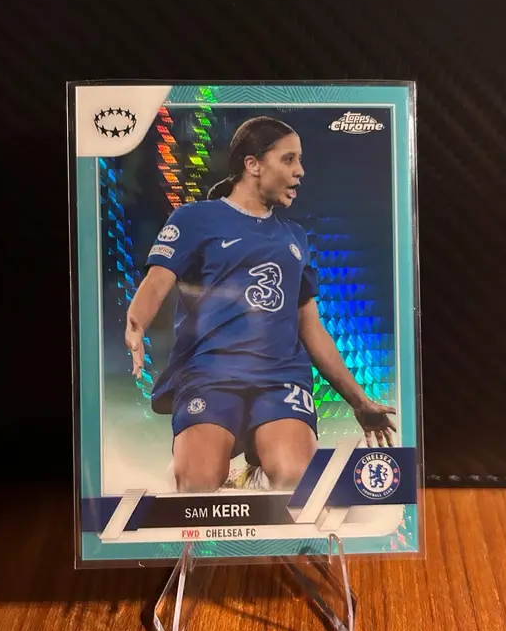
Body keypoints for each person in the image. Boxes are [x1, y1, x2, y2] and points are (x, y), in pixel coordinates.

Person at [125, 115, 396, 493]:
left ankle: (258, 475)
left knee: (294, 479)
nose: (300, 171)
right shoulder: (195, 218)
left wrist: (359, 401)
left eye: (300, 160)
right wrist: (136, 322)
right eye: (288, 159)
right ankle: (222, 474)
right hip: (210, 372)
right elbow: (158, 280)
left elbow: (310, 326)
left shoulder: (295, 237)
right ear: (252, 164)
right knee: (198, 485)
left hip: (279, 376)